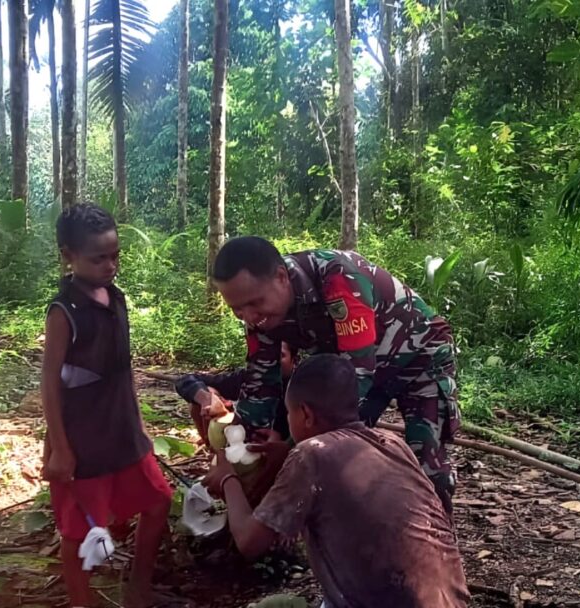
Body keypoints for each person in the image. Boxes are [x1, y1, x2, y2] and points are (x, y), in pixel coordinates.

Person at [210, 237, 461, 513]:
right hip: (361, 370)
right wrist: (240, 444)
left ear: (281, 277)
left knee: (425, 462)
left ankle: (435, 540)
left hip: (419, 358)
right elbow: (259, 384)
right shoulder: (259, 316)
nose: (248, 317)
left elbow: (353, 379)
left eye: (255, 303)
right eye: (237, 310)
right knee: (336, 456)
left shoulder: (339, 278)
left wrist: (292, 446)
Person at [203, 354, 470, 608]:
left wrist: (228, 478)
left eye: (288, 412)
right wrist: (285, 454)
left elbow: (249, 542)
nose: (288, 419)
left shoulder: (311, 453)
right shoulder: (392, 443)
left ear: (306, 414)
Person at [41, 204, 173, 608]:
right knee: (78, 532)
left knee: (159, 501)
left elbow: (122, 371)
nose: (110, 265)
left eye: (115, 255)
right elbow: (50, 381)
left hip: (123, 432)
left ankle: (139, 588)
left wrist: (139, 426)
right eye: (98, 258)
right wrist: (61, 448)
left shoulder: (116, 299)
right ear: (69, 255)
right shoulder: (64, 312)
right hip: (84, 440)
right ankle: (82, 602)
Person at [175, 342, 296, 446]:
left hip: (285, 451)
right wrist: (207, 399)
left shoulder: (301, 385)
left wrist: (285, 445)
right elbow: (186, 380)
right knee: (201, 395)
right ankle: (212, 446)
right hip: (242, 444)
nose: (272, 362)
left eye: (280, 355)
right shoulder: (249, 378)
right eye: (266, 356)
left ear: (294, 360)